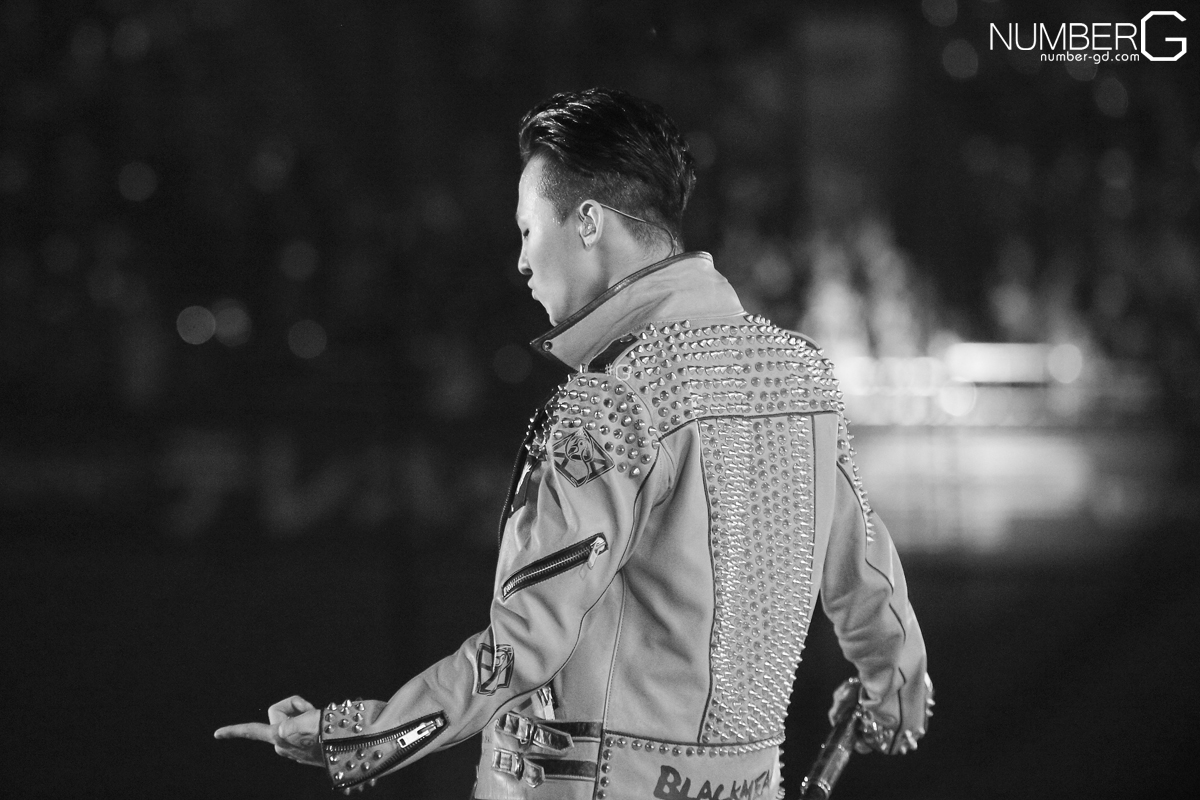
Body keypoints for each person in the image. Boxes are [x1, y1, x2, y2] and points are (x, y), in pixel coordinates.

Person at [215, 87, 932, 800]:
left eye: (528, 230)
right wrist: (892, 694)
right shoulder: (801, 376)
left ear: (588, 222)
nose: (522, 262)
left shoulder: (613, 400)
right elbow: (867, 578)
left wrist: (358, 737)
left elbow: (523, 646)